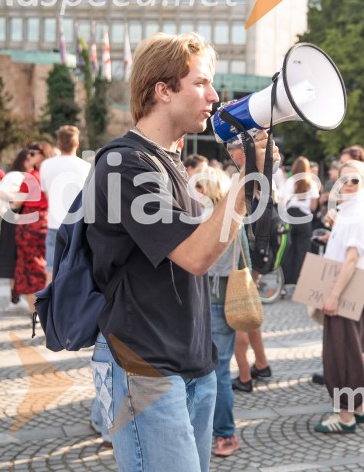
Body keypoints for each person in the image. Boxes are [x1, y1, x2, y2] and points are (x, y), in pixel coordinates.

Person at [86, 32, 276, 472]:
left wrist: (256, 178)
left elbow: (214, 241)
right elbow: (195, 256)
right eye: (201, 83)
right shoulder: (124, 163)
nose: (213, 96)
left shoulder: (172, 161)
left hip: (195, 362)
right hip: (145, 367)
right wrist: (246, 180)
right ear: (163, 90)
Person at [314, 159, 364, 433]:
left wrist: (333, 296)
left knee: (341, 354)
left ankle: (345, 415)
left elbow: (352, 260)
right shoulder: (350, 211)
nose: (348, 184)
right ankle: (359, 407)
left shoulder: (357, 213)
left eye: (355, 180)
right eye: (344, 179)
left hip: (346, 294)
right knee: (353, 350)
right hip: (353, 293)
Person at [198, 167, 246, 457]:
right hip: (218, 299)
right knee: (218, 370)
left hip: (210, 299)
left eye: (200, 187)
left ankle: (219, 433)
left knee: (212, 371)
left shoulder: (202, 218)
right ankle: (222, 434)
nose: (197, 192)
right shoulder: (231, 217)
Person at [224, 133, 273, 394]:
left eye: (233, 148)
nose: (230, 153)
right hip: (255, 251)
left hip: (247, 252)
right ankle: (262, 365)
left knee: (241, 310)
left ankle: (245, 376)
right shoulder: (259, 175)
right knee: (250, 312)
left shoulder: (251, 176)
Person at [39, 125, 91, 284]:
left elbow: (46, 192)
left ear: (58, 144)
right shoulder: (86, 167)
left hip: (55, 222)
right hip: (78, 224)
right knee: (80, 268)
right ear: (77, 144)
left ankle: (51, 306)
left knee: (51, 268)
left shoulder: (46, 165)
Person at [14, 142, 54, 316]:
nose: (28, 157)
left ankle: (35, 311)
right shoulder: (52, 174)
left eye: (32, 154)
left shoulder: (31, 176)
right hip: (46, 220)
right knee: (46, 266)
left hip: (29, 223)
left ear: (42, 155)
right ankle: (47, 306)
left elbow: (16, 203)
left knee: (29, 266)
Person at [0, 149, 31, 300]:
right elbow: (2, 193)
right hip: (13, 220)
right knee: (13, 261)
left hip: (23, 221)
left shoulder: (31, 176)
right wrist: (25, 196)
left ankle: (17, 293)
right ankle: (14, 294)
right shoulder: (15, 176)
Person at [280, 156, 320, 287]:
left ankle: (286, 280)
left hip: (290, 218)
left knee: (288, 249)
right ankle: (301, 281)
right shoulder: (312, 183)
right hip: (305, 220)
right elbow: (314, 206)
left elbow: (282, 201)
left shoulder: (289, 182)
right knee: (303, 251)